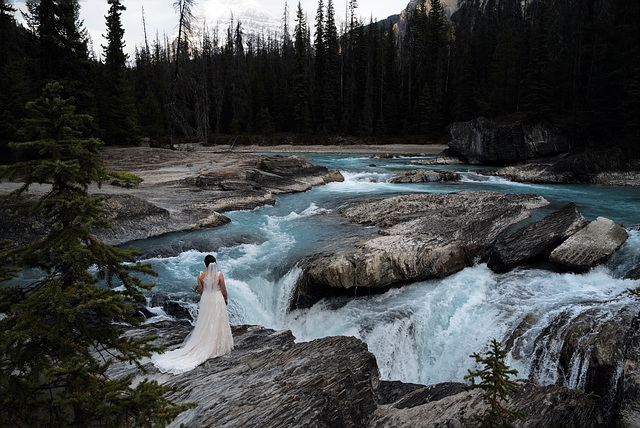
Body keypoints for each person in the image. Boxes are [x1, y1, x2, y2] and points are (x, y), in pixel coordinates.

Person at [153, 255, 234, 374]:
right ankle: (217, 344)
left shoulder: (201, 274)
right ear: (215, 264)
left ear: (205, 264)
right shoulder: (219, 275)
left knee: (205, 320)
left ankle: (205, 341)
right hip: (217, 298)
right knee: (217, 319)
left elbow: (200, 290)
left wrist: (205, 298)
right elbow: (223, 289)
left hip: (206, 298)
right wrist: (225, 299)